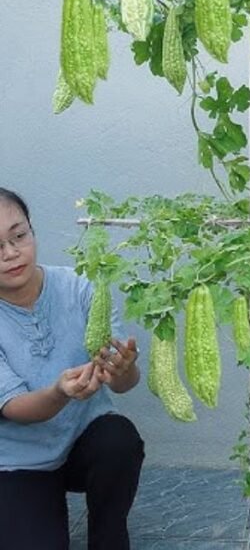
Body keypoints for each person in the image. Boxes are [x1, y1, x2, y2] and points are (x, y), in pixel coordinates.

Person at [0, 188, 145, 549]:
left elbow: (125, 383)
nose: (10, 253)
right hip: (18, 461)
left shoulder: (81, 285)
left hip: (85, 439)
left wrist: (124, 369)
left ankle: (108, 538)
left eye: (19, 236)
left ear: (32, 231)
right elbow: (14, 407)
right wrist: (58, 392)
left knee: (120, 441)